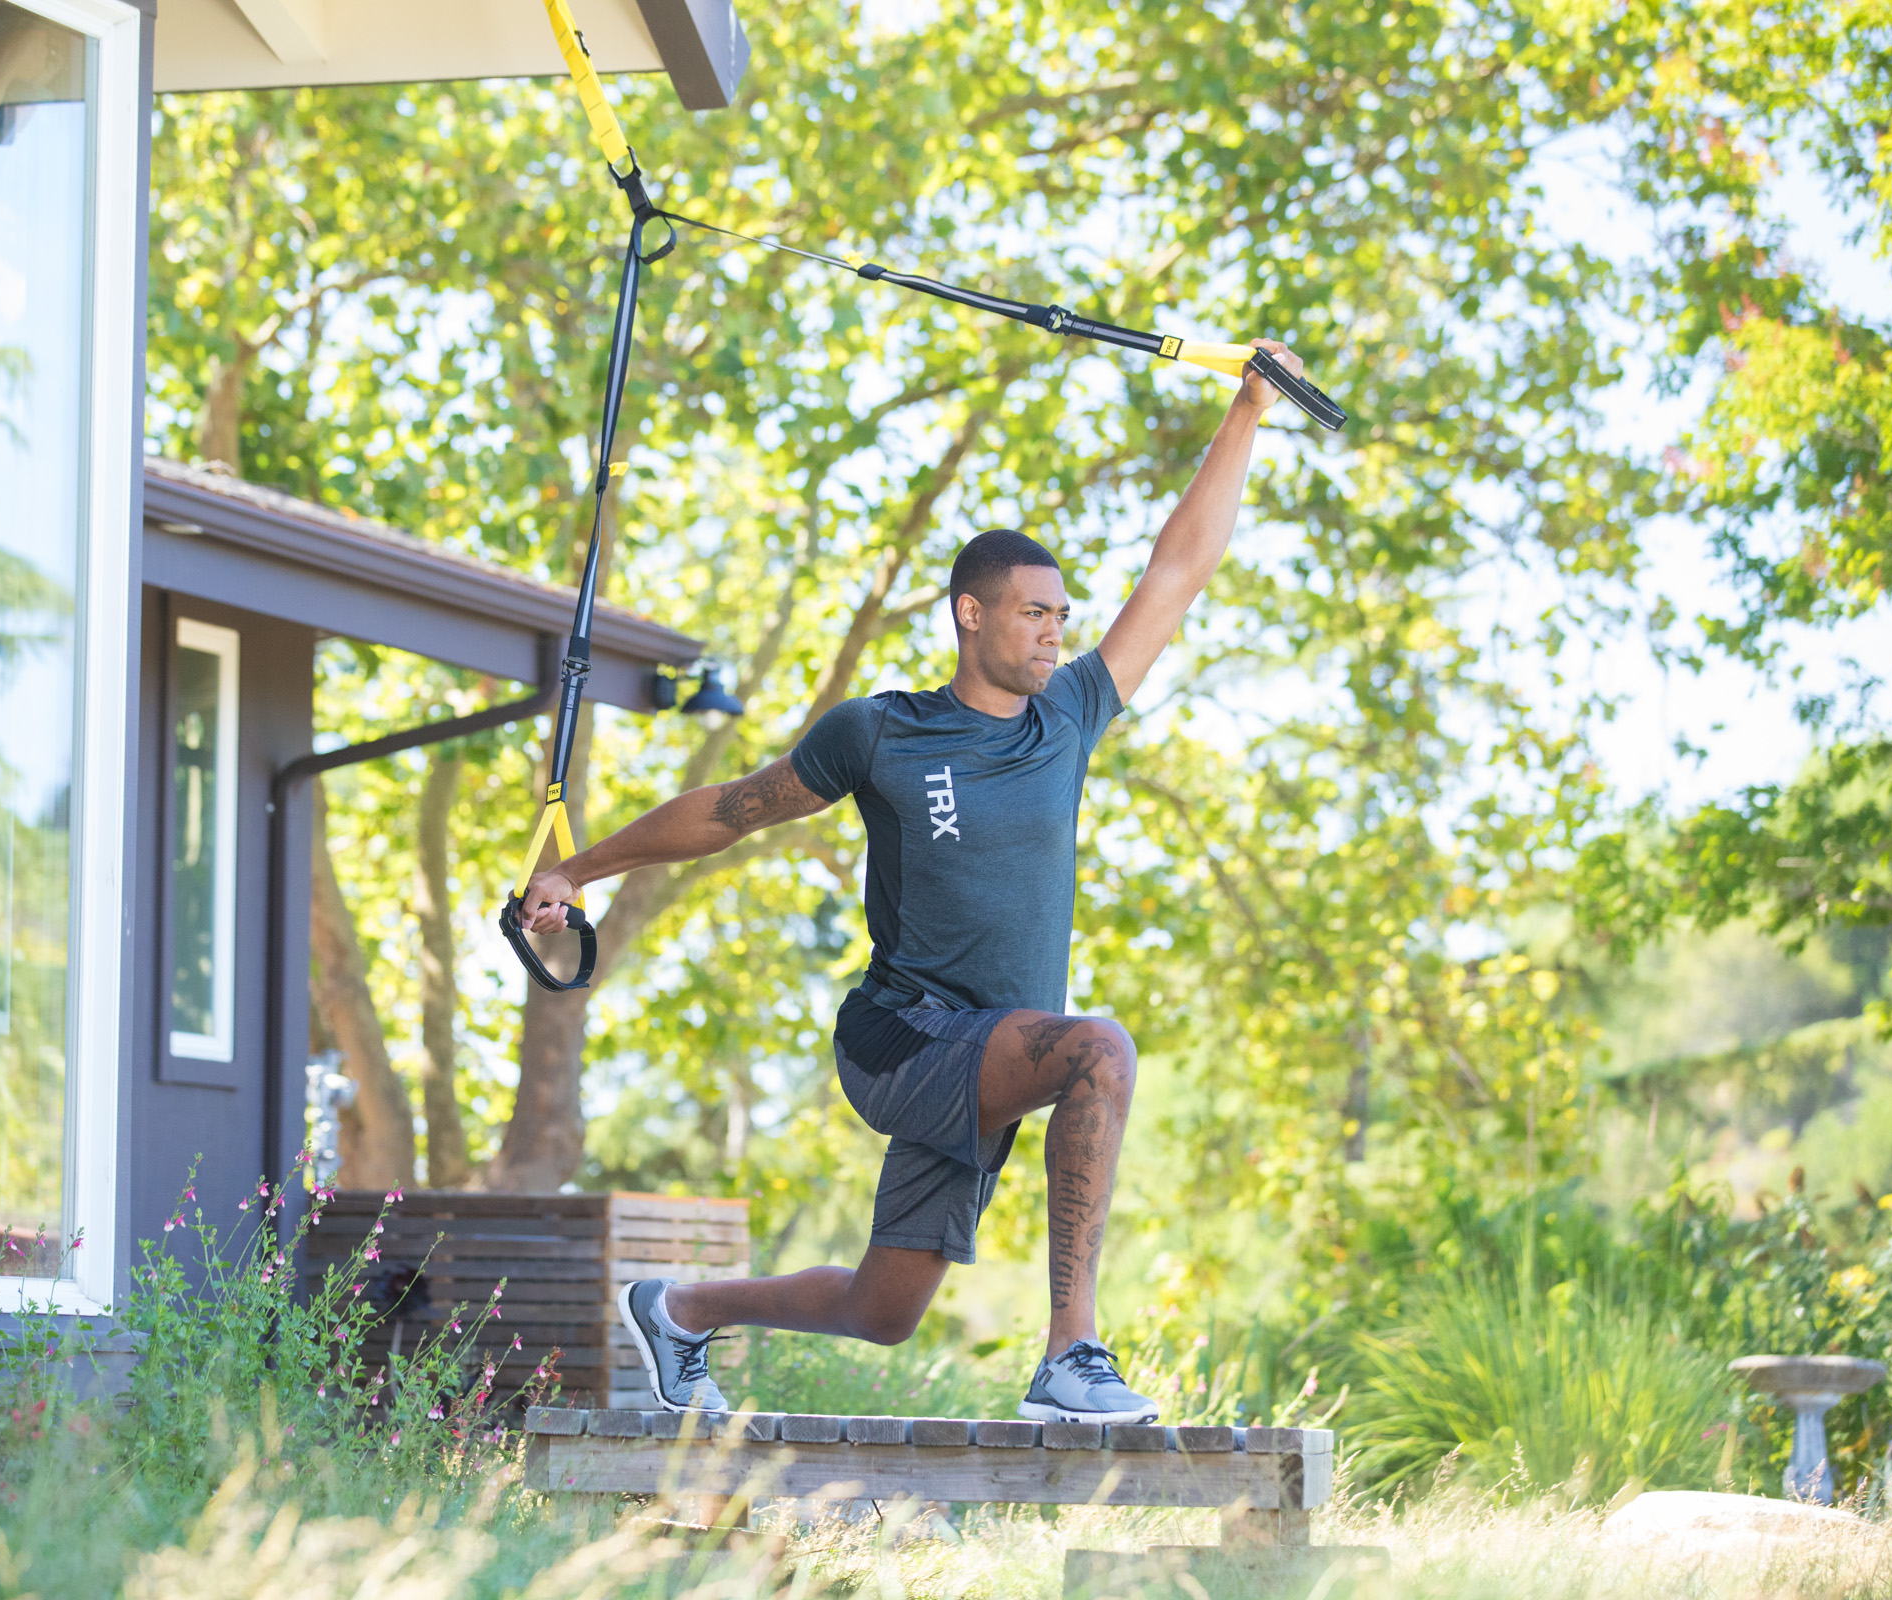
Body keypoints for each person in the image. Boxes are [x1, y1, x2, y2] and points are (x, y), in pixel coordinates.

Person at [516, 340, 1310, 1422]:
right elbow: (731, 808)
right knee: (1102, 1049)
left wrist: (1249, 409)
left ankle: (679, 1305)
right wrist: (576, 865)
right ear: (970, 614)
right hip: (902, 1036)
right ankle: (1070, 1353)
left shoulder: (1068, 718)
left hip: (987, 1053)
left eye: (1061, 616)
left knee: (884, 1307)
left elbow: (1179, 568)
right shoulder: (884, 732)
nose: (1055, 631)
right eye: (1034, 612)